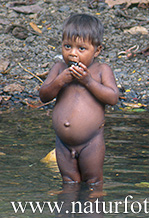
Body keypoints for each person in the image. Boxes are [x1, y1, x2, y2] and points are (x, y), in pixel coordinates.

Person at [39, 13, 119, 188]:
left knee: (94, 182)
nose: (72, 53)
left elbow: (113, 98)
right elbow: (44, 95)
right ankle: (68, 214)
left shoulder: (100, 70)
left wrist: (88, 81)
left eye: (81, 49)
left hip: (91, 142)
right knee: (69, 183)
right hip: (63, 143)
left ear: (97, 50)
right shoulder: (59, 68)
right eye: (67, 46)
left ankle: (91, 213)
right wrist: (60, 80)